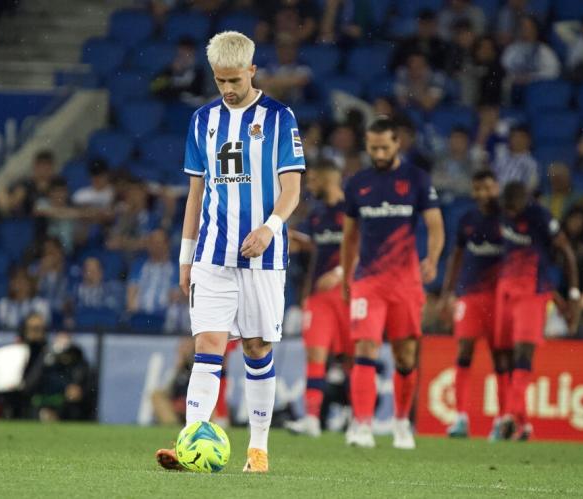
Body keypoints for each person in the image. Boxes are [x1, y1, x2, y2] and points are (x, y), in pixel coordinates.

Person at [155, 31, 305, 473]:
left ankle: (257, 450)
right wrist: (185, 257)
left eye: (235, 79)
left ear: (253, 71)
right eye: (220, 80)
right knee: (208, 345)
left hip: (263, 256)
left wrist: (269, 228)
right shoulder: (202, 120)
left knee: (257, 348)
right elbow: (195, 195)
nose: (228, 88)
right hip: (212, 254)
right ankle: (191, 445)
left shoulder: (279, 118)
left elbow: (292, 189)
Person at [341, 117, 444, 449]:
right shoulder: (358, 184)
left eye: (385, 146)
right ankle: (362, 424)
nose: (379, 152)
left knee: (405, 355)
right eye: (373, 147)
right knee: (365, 347)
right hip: (368, 282)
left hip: (405, 282)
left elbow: (435, 225)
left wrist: (433, 258)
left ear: (398, 142)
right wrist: (346, 276)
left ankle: (401, 422)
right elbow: (349, 238)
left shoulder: (416, 179)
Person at [496, 181, 579, 440]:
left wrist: (572, 294)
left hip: (532, 294)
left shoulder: (540, 216)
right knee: (505, 355)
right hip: (506, 290)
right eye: (507, 210)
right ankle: (524, 423)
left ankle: (509, 414)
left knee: (524, 351)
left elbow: (566, 252)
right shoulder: (504, 211)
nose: (510, 214)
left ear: (524, 200)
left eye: (514, 209)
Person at [438, 171, 507, 440]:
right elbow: (456, 256)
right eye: (478, 189)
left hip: (499, 297)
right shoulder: (468, 219)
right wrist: (447, 293)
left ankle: (502, 419)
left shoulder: (507, 219)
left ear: (497, 187)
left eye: (488, 187)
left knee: (500, 356)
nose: (483, 193)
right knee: (464, 351)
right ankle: (461, 418)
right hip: (470, 295)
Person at [284, 159, 350, 437]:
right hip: (319, 297)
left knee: (353, 357)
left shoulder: (352, 211)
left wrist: (340, 271)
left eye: (313, 180)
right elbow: (308, 244)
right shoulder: (317, 215)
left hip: (350, 291)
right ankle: (312, 419)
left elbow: (368, 247)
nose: (309, 185)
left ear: (328, 179)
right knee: (316, 353)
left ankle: (360, 418)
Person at [501, 15, 560, 97]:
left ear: (535, 29)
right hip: (514, 90)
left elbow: (553, 72)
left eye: (528, 27)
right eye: (522, 27)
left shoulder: (544, 51)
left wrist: (531, 78)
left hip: (537, 91)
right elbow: (503, 69)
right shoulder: (512, 49)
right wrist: (516, 78)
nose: (525, 30)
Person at [126, 229, 177, 316]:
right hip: (139, 316)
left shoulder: (175, 268)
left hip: (164, 317)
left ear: (167, 244)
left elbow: (175, 295)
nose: (155, 246)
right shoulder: (139, 266)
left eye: (159, 243)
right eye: (152, 242)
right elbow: (131, 291)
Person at [0, 150, 56, 218]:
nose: (44, 170)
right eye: (41, 166)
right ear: (35, 167)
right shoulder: (26, 185)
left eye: (47, 167)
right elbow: (12, 204)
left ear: (52, 168)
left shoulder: (57, 185)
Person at [256, 34, 311, 104]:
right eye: (283, 47)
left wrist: (274, 82)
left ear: (295, 49)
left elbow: (301, 81)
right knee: (264, 93)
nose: (286, 51)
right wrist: (286, 81)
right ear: (277, 49)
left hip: (295, 102)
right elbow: (260, 82)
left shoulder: (302, 64)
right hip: (272, 97)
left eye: (290, 47)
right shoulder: (266, 64)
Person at [151, 37, 206, 104]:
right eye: (180, 54)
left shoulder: (200, 70)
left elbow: (198, 92)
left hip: (193, 108)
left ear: (193, 53)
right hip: (171, 106)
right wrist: (170, 71)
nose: (183, 57)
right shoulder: (169, 70)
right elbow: (154, 87)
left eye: (187, 53)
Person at [432, 126, 479, 199]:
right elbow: (434, 182)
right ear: (449, 141)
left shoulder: (473, 164)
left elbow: (474, 187)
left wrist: (447, 182)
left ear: (467, 142)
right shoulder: (440, 160)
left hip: (464, 202)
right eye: (454, 139)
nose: (457, 143)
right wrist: (458, 182)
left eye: (460, 140)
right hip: (440, 201)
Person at [492, 125, 539, 192]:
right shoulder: (500, 160)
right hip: (496, 196)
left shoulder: (531, 164)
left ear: (529, 140)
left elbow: (531, 187)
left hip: (515, 198)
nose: (517, 140)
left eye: (521, 137)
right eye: (514, 136)